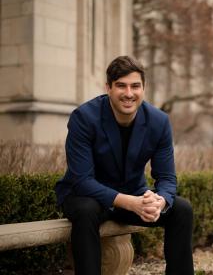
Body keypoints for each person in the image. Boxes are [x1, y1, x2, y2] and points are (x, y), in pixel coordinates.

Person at [55, 55, 194, 275]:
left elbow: (167, 178)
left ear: (143, 88)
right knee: (85, 210)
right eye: (121, 86)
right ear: (108, 88)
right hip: (88, 197)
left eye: (135, 86)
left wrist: (160, 200)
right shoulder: (83, 118)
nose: (129, 93)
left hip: (133, 195)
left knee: (181, 209)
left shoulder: (159, 121)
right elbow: (81, 180)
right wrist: (131, 203)